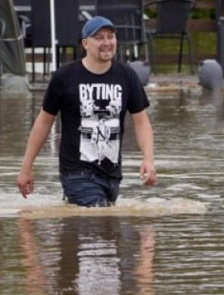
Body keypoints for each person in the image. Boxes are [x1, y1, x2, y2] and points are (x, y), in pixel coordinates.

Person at [16, 16, 156, 207]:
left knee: (103, 229)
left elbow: (141, 122)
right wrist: (26, 168)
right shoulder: (64, 77)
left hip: (112, 175)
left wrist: (148, 159)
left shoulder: (127, 76)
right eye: (99, 38)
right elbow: (43, 122)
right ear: (85, 43)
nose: (106, 43)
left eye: (110, 37)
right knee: (96, 219)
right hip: (76, 172)